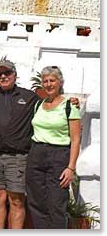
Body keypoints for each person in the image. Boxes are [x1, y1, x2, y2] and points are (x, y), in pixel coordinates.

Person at [0, 60, 79, 229]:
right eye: (0, 74)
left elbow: (76, 136)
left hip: (34, 156)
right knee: (30, 202)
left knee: (28, 201)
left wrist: (71, 167)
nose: (4, 76)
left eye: (7, 73)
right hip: (15, 156)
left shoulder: (31, 98)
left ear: (15, 75)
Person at [26, 66, 81, 228]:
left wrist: (71, 168)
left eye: (52, 80)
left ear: (60, 82)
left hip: (58, 156)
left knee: (57, 204)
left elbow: (76, 139)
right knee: (36, 202)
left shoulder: (69, 106)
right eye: (45, 81)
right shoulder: (38, 105)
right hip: (36, 154)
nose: (49, 84)